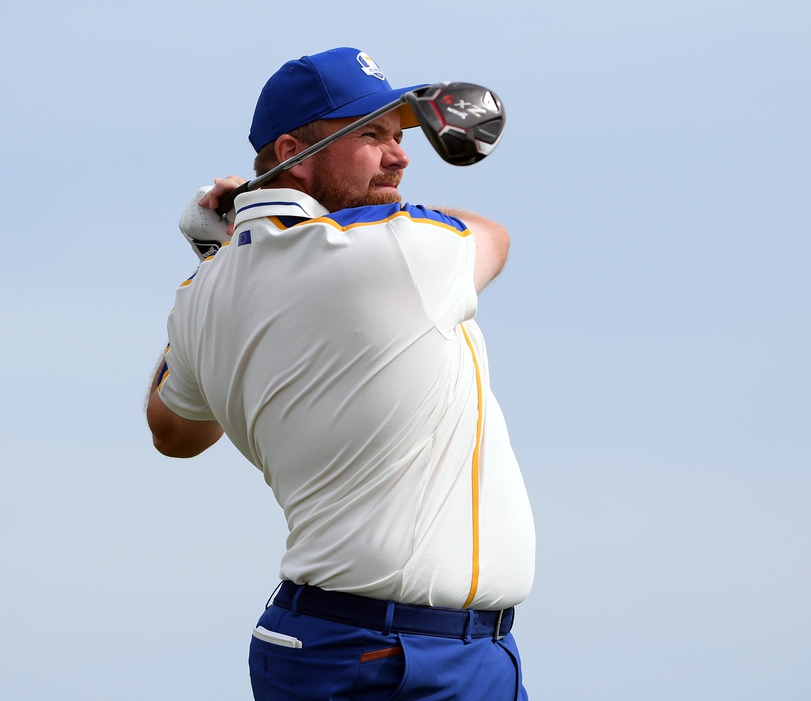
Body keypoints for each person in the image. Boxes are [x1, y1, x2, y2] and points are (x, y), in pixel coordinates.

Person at [145, 47, 535, 701]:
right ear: (294, 149)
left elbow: (174, 430)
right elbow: (491, 235)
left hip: (338, 641)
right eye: (370, 136)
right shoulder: (399, 249)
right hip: (398, 657)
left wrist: (222, 249)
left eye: (398, 135)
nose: (401, 155)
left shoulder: (203, 293)